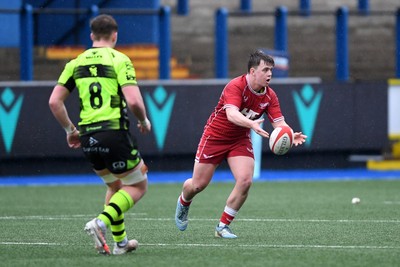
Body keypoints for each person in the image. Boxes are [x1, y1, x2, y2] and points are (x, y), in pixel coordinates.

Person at [174, 50, 307, 238]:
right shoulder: (235, 86)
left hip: (239, 139)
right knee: (197, 185)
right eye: (265, 70)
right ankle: (183, 202)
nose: (270, 74)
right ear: (252, 72)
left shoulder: (270, 95)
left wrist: (289, 134)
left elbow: (279, 123)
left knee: (245, 180)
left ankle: (222, 227)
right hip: (215, 136)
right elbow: (232, 114)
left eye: (271, 70)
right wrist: (251, 123)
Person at [49, 14, 151, 255]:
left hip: (87, 137)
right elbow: (134, 100)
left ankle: (121, 244)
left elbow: (55, 102)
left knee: (115, 186)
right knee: (138, 185)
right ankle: (100, 222)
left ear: (92, 35)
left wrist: (70, 131)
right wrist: (143, 120)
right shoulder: (119, 59)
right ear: (115, 35)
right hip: (113, 132)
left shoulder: (75, 63)